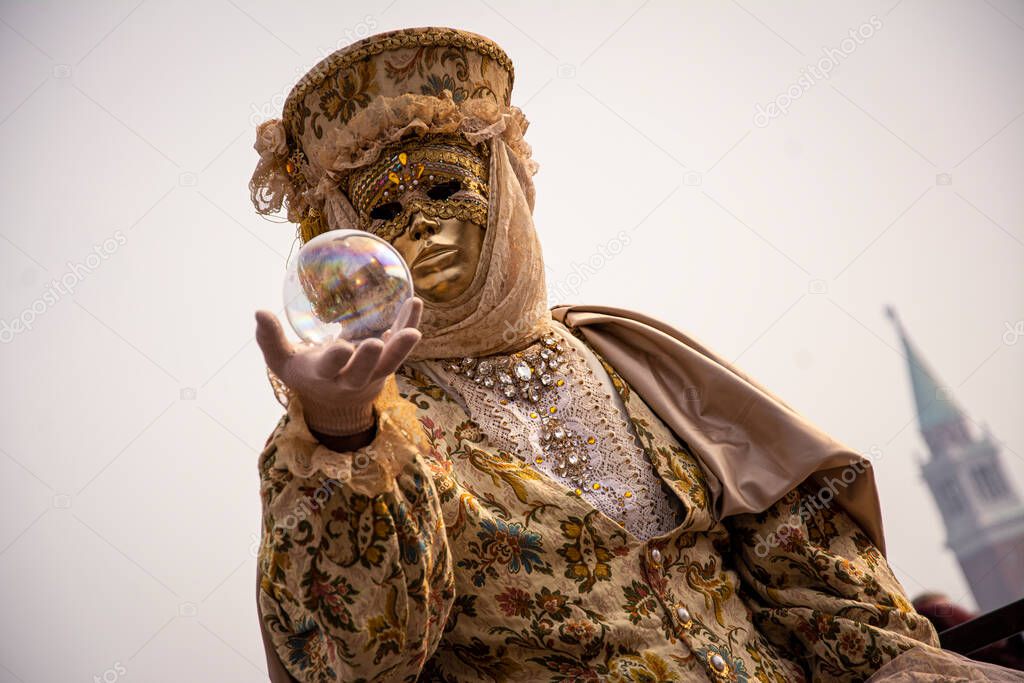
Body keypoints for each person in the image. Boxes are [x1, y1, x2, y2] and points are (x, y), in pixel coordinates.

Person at [249, 26, 1010, 682]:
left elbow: (807, 572)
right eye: (384, 210)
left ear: (505, 186)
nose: (420, 226)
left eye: (447, 187)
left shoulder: (632, 358)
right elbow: (356, 663)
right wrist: (346, 431)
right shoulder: (357, 435)